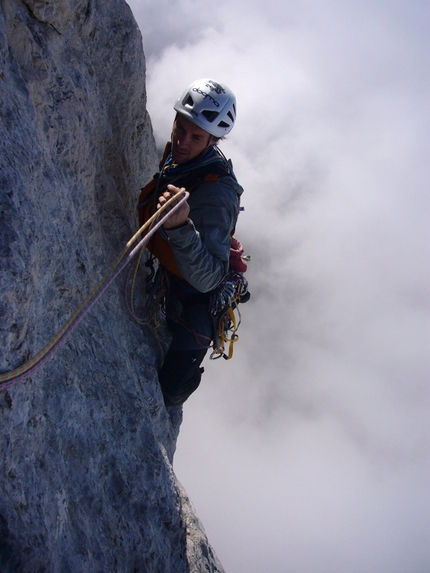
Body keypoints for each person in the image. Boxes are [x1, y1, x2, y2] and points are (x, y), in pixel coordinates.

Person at [138, 78, 244, 406]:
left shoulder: (217, 195)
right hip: (176, 273)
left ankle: (189, 375)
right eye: (179, 128)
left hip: (199, 298)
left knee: (171, 391)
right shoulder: (180, 159)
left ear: (213, 140)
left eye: (196, 137)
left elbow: (210, 277)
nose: (182, 141)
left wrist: (181, 227)